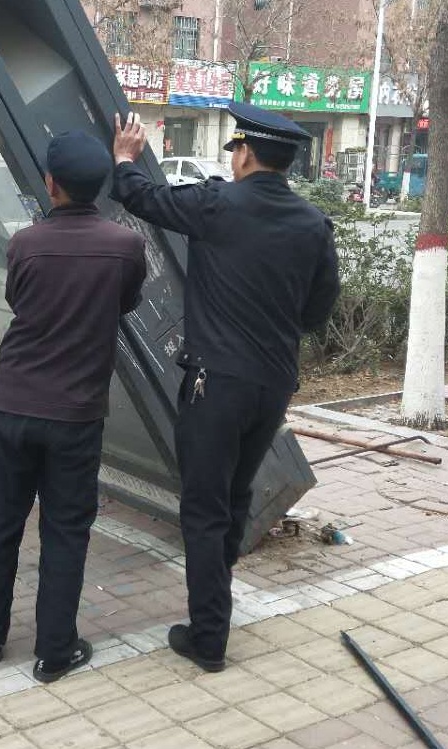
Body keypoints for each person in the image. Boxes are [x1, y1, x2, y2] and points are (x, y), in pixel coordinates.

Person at [111, 102, 340, 672]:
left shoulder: (217, 203)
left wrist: (125, 159)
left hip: (215, 387)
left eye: (235, 149)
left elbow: (143, 199)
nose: (232, 158)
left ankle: (208, 637)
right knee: (234, 498)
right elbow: (318, 310)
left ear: (246, 154)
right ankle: (217, 593)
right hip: (273, 386)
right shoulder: (313, 225)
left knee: (205, 508)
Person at [0, 132, 147, 685]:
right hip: (76, 412)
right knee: (66, 529)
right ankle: (55, 650)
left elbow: (18, 300)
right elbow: (126, 302)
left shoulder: (26, 244)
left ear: (50, 184)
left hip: (15, 402)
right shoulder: (125, 246)